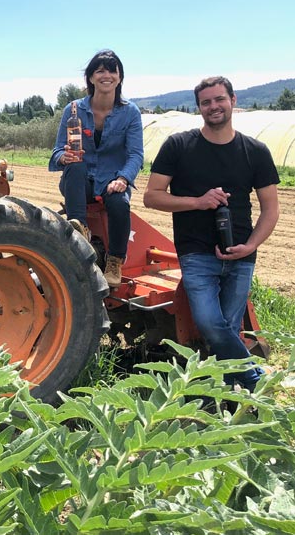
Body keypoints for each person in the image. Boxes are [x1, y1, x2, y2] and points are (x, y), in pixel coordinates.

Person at [143, 76, 279, 392]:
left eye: (219, 99)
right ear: (199, 107)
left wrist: (252, 245)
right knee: (210, 324)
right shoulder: (179, 146)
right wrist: (198, 202)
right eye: (206, 102)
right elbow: (152, 196)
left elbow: (271, 209)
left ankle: (231, 397)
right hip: (196, 253)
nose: (213, 106)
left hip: (242, 254)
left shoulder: (255, 151)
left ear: (233, 100)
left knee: (229, 328)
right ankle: (256, 381)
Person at [49, 50, 144, 287]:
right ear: (91, 78)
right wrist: (65, 158)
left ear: (119, 78)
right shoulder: (73, 110)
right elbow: (57, 151)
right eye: (100, 70)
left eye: (112, 70)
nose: (106, 75)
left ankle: (114, 261)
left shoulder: (130, 112)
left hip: (112, 180)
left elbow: (135, 154)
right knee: (76, 164)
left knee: (119, 202)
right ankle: (79, 230)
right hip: (79, 183)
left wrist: (123, 178)